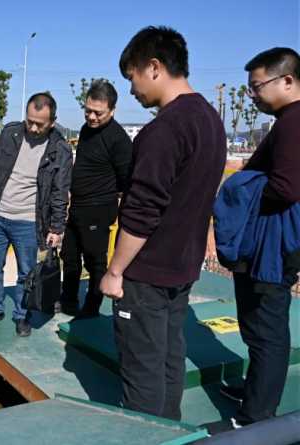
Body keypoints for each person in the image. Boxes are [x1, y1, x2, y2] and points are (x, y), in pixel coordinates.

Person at [99, 26, 226, 420]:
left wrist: (115, 270)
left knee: (143, 373)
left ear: (153, 67)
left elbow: (142, 211)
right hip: (181, 269)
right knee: (171, 359)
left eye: (133, 77)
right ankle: (171, 428)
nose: (133, 89)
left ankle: (148, 433)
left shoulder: (163, 130)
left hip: (148, 274)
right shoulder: (210, 120)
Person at [214, 47, 300, 431]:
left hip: (274, 248)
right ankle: (255, 391)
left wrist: (239, 188)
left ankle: (256, 417)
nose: (253, 95)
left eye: (257, 86)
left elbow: (285, 187)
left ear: (287, 80)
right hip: (267, 243)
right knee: (255, 322)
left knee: (267, 328)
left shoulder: (294, 123)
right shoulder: (286, 121)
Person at [0, 92, 73, 337]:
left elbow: (59, 192)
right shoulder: (10, 133)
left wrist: (56, 228)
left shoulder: (60, 149)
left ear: (52, 121)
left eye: (39, 124)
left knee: (26, 274)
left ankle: (22, 316)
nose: (32, 127)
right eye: (29, 120)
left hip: (29, 222)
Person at [57, 79, 132, 318]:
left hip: (98, 209)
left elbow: (126, 180)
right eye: (87, 110)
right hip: (77, 205)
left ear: (112, 110)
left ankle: (91, 308)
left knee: (94, 261)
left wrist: (105, 194)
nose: (91, 116)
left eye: (97, 113)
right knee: (69, 255)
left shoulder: (119, 139)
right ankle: (67, 299)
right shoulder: (86, 130)